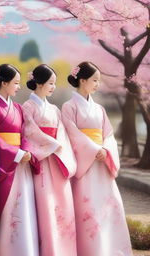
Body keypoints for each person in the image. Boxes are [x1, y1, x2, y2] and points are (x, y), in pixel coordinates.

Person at [61, 61, 132, 256]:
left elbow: (108, 134)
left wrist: (106, 149)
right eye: (95, 80)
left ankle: (111, 250)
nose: (97, 84)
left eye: (98, 81)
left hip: (101, 163)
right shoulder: (69, 107)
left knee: (108, 207)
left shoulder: (99, 109)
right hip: (86, 165)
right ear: (82, 80)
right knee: (88, 207)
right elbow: (71, 135)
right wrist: (94, 150)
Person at [0, 64, 39, 256]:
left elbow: (25, 134)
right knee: (7, 208)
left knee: (25, 205)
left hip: (21, 161)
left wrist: (27, 151)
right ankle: (4, 250)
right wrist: (15, 153)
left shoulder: (18, 108)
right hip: (6, 163)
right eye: (15, 83)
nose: (19, 87)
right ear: (4, 83)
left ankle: (25, 249)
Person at [22, 64, 77, 256]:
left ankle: (64, 250)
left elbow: (62, 133)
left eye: (54, 83)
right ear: (38, 83)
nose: (53, 87)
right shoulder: (27, 107)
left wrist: (58, 146)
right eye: (50, 83)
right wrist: (52, 145)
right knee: (45, 205)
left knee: (62, 204)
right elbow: (29, 132)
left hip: (57, 159)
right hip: (42, 161)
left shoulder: (54, 109)